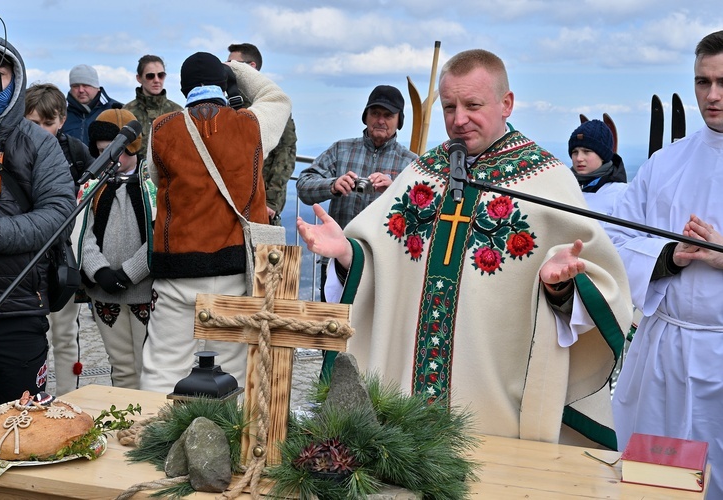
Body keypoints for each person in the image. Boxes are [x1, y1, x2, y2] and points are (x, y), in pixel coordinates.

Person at [297, 49, 633, 448]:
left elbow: (604, 289)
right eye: (450, 106)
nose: (459, 120)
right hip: (408, 391)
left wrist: (561, 286)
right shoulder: (425, 170)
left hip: (497, 400)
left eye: (473, 105)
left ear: (506, 103)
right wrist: (347, 253)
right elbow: (381, 259)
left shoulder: (547, 180)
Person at [610, 30, 723, 498]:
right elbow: (612, 237)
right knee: (657, 485)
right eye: (702, 82)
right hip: (665, 354)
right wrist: (667, 257)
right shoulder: (665, 163)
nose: (712, 95)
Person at [140, 52, 291, 393]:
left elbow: (154, 176)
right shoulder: (251, 125)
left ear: (182, 88)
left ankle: (150, 439)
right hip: (233, 268)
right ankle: (226, 440)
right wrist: (236, 67)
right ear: (224, 84)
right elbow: (277, 98)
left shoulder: (161, 130)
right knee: (232, 371)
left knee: (163, 368)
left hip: (177, 267)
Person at [0, 37, 75, 405]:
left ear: (15, 77)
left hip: (15, 305)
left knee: (25, 421)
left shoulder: (37, 143)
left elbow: (61, 213)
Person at [296, 84, 417, 300]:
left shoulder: (411, 163)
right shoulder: (341, 150)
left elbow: (423, 211)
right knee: (333, 325)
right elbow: (303, 186)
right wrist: (332, 185)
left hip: (384, 265)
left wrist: (395, 189)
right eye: (375, 113)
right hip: (334, 262)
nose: (380, 120)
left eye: (388, 115)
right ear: (366, 116)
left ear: (399, 120)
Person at [24, 83, 95, 395]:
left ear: (62, 120)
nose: (40, 131)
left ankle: (68, 398)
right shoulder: (10, 151)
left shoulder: (76, 152)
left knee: (65, 333)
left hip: (60, 257)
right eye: (33, 124)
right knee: (26, 334)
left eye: (47, 124)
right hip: (22, 257)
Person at [78, 108, 155, 390]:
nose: (110, 159)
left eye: (116, 152)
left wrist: (130, 272)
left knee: (146, 363)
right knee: (120, 364)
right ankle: (125, 424)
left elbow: (159, 234)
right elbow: (81, 233)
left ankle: (150, 427)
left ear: (132, 148)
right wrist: (98, 271)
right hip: (103, 291)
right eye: (102, 152)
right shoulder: (92, 185)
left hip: (143, 290)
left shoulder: (152, 185)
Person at [227, 43, 297, 226]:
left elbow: (286, 153)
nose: (228, 68)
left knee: (271, 255)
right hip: (233, 205)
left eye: (234, 64)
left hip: (265, 206)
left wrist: (271, 200)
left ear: (251, 68)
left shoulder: (272, 106)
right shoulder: (228, 103)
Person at [123, 54, 182, 158]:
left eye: (161, 75)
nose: (156, 80)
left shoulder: (177, 112)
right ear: (139, 78)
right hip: (135, 172)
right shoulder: (126, 113)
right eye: (150, 76)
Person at [568, 119, 627, 218]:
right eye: (575, 152)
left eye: (586, 151)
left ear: (603, 156)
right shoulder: (566, 188)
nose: (579, 158)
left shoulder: (621, 194)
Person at [63, 64, 122, 145]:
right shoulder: (61, 112)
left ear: (96, 86)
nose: (81, 90)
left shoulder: (116, 111)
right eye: (75, 86)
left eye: (86, 85)